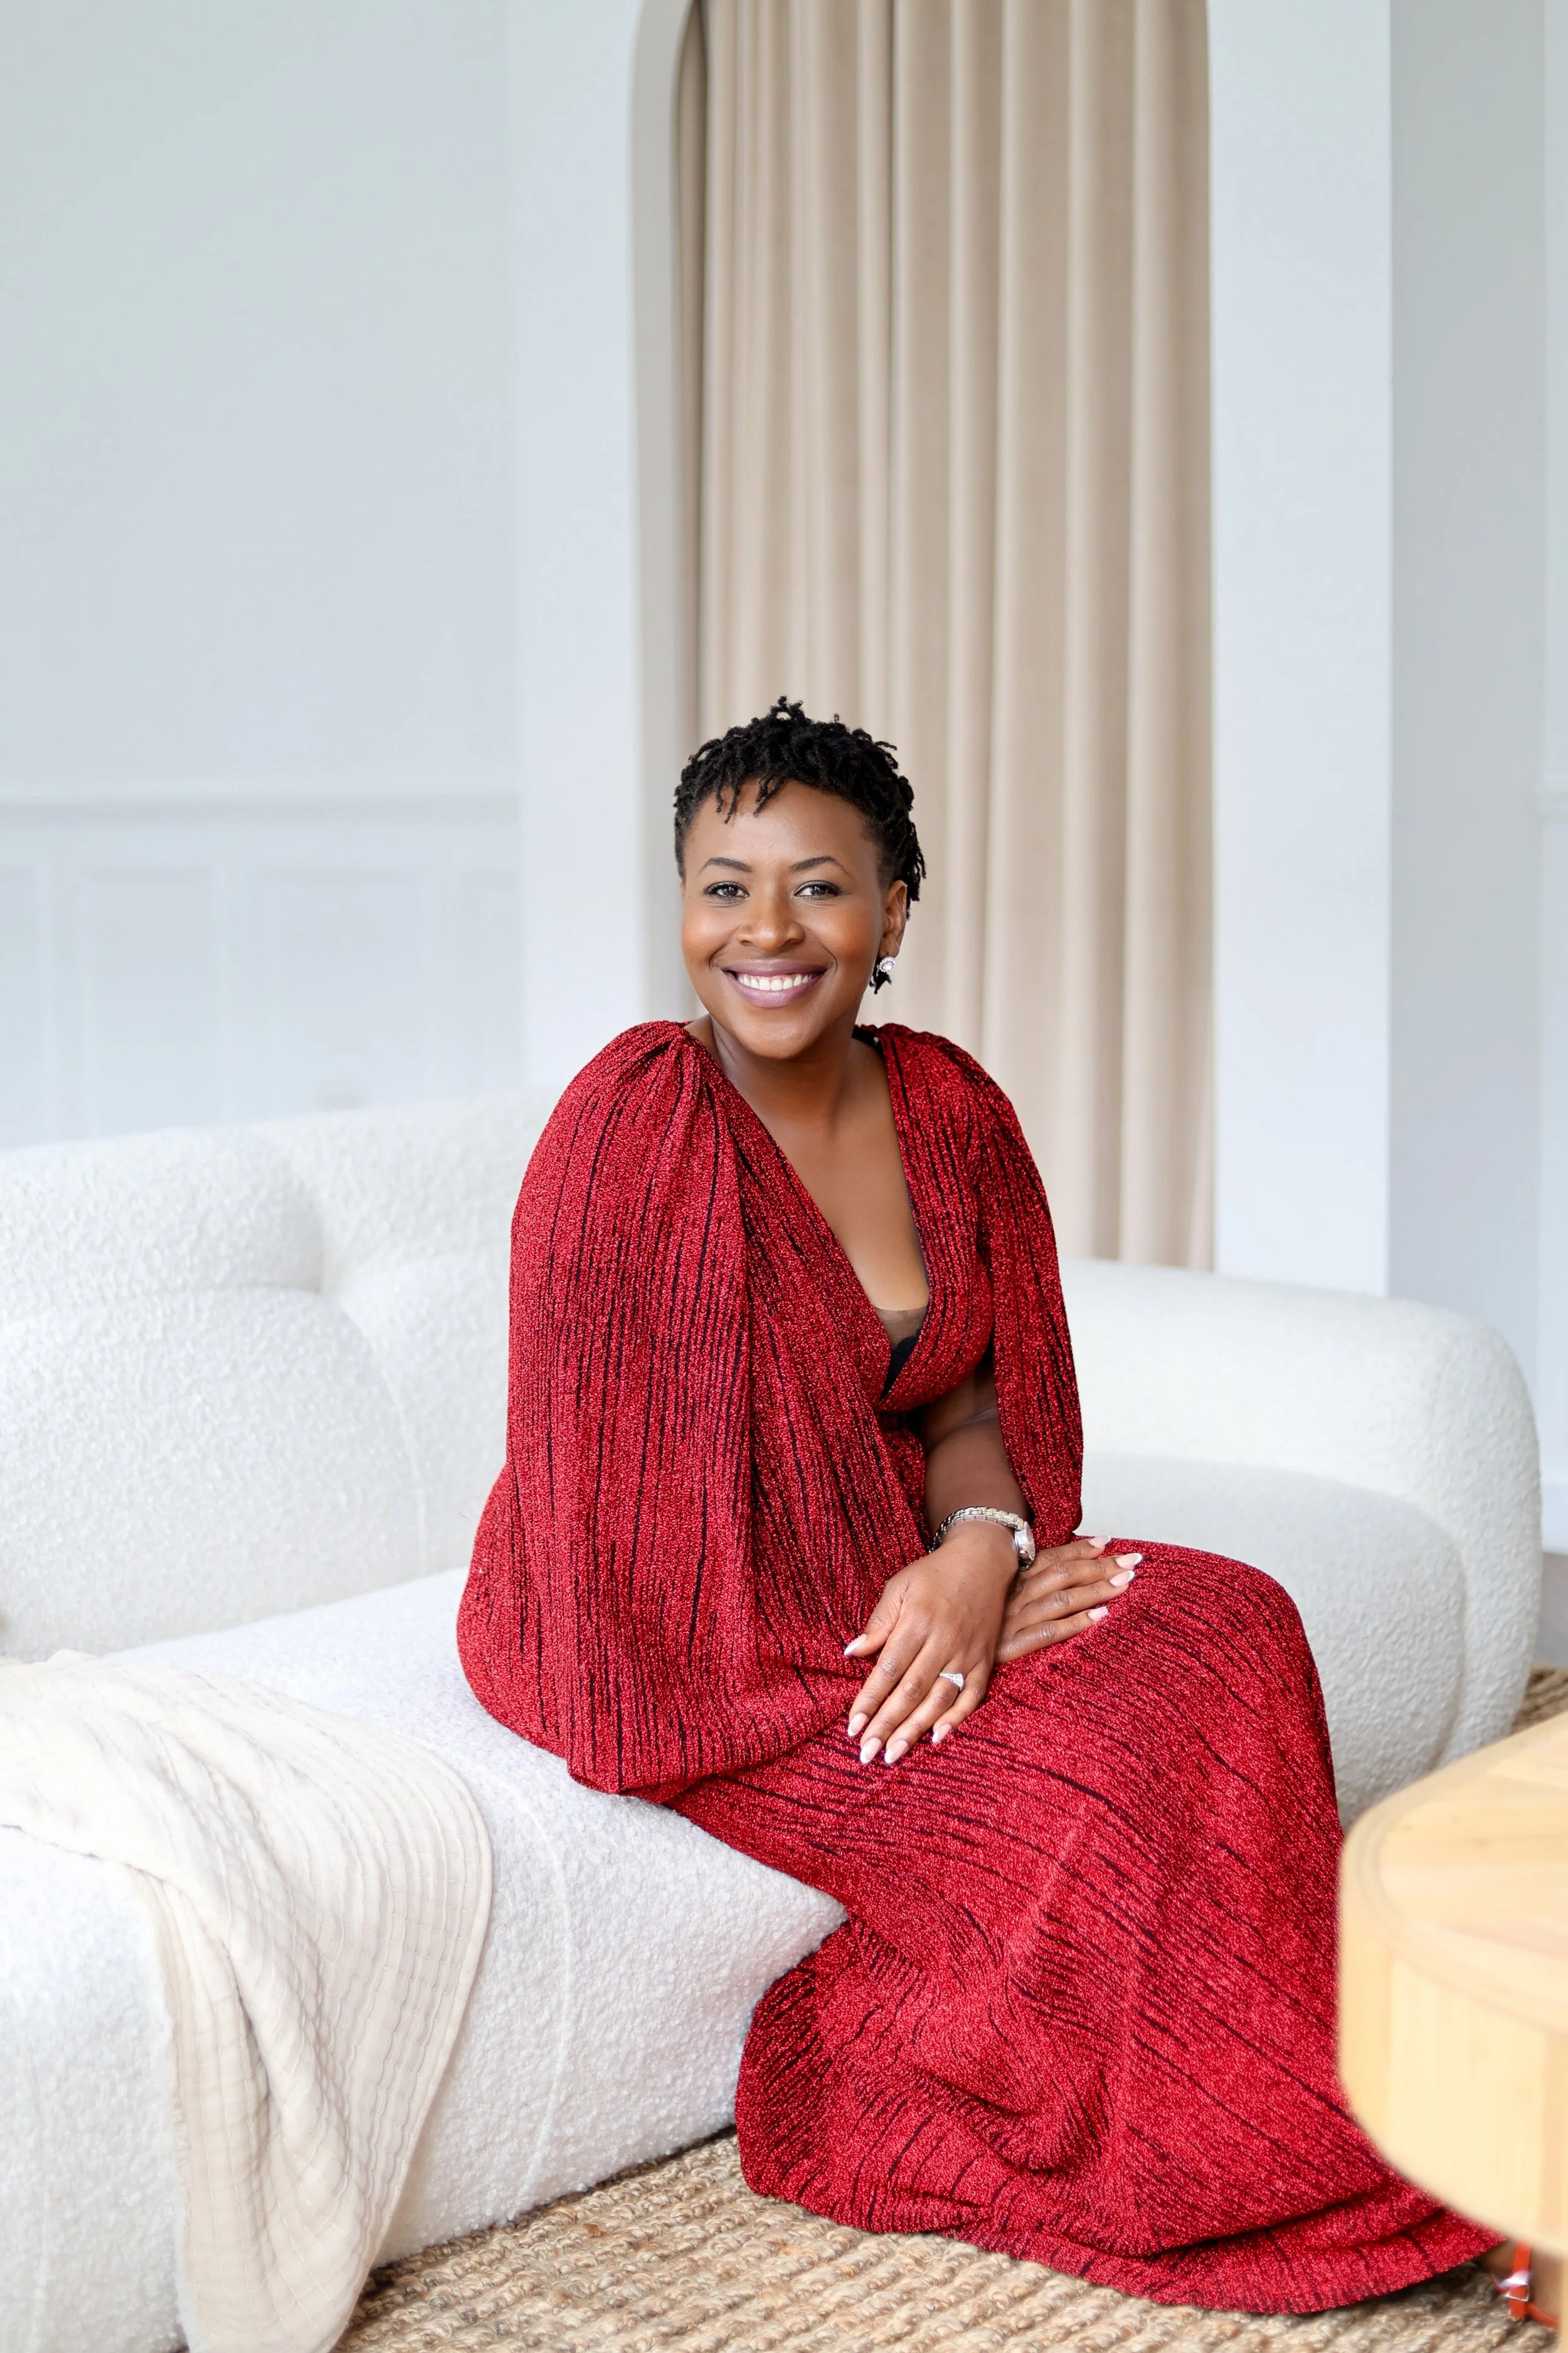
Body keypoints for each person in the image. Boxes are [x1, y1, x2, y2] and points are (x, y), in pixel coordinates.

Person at [459, 697, 1503, 2314]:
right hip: (676, 1615)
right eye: (721, 884)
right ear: (678, 908)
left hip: (898, 1554)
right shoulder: (632, 1131)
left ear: (893, 914)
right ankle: (1324, 2136)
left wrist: (977, 1556)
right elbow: (625, 1562)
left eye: (817, 884)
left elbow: (968, 1401)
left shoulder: (944, 1106)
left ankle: (1306, 2039)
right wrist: (901, 1628)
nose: (766, 930)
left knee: (1227, 1621)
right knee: (1081, 1786)